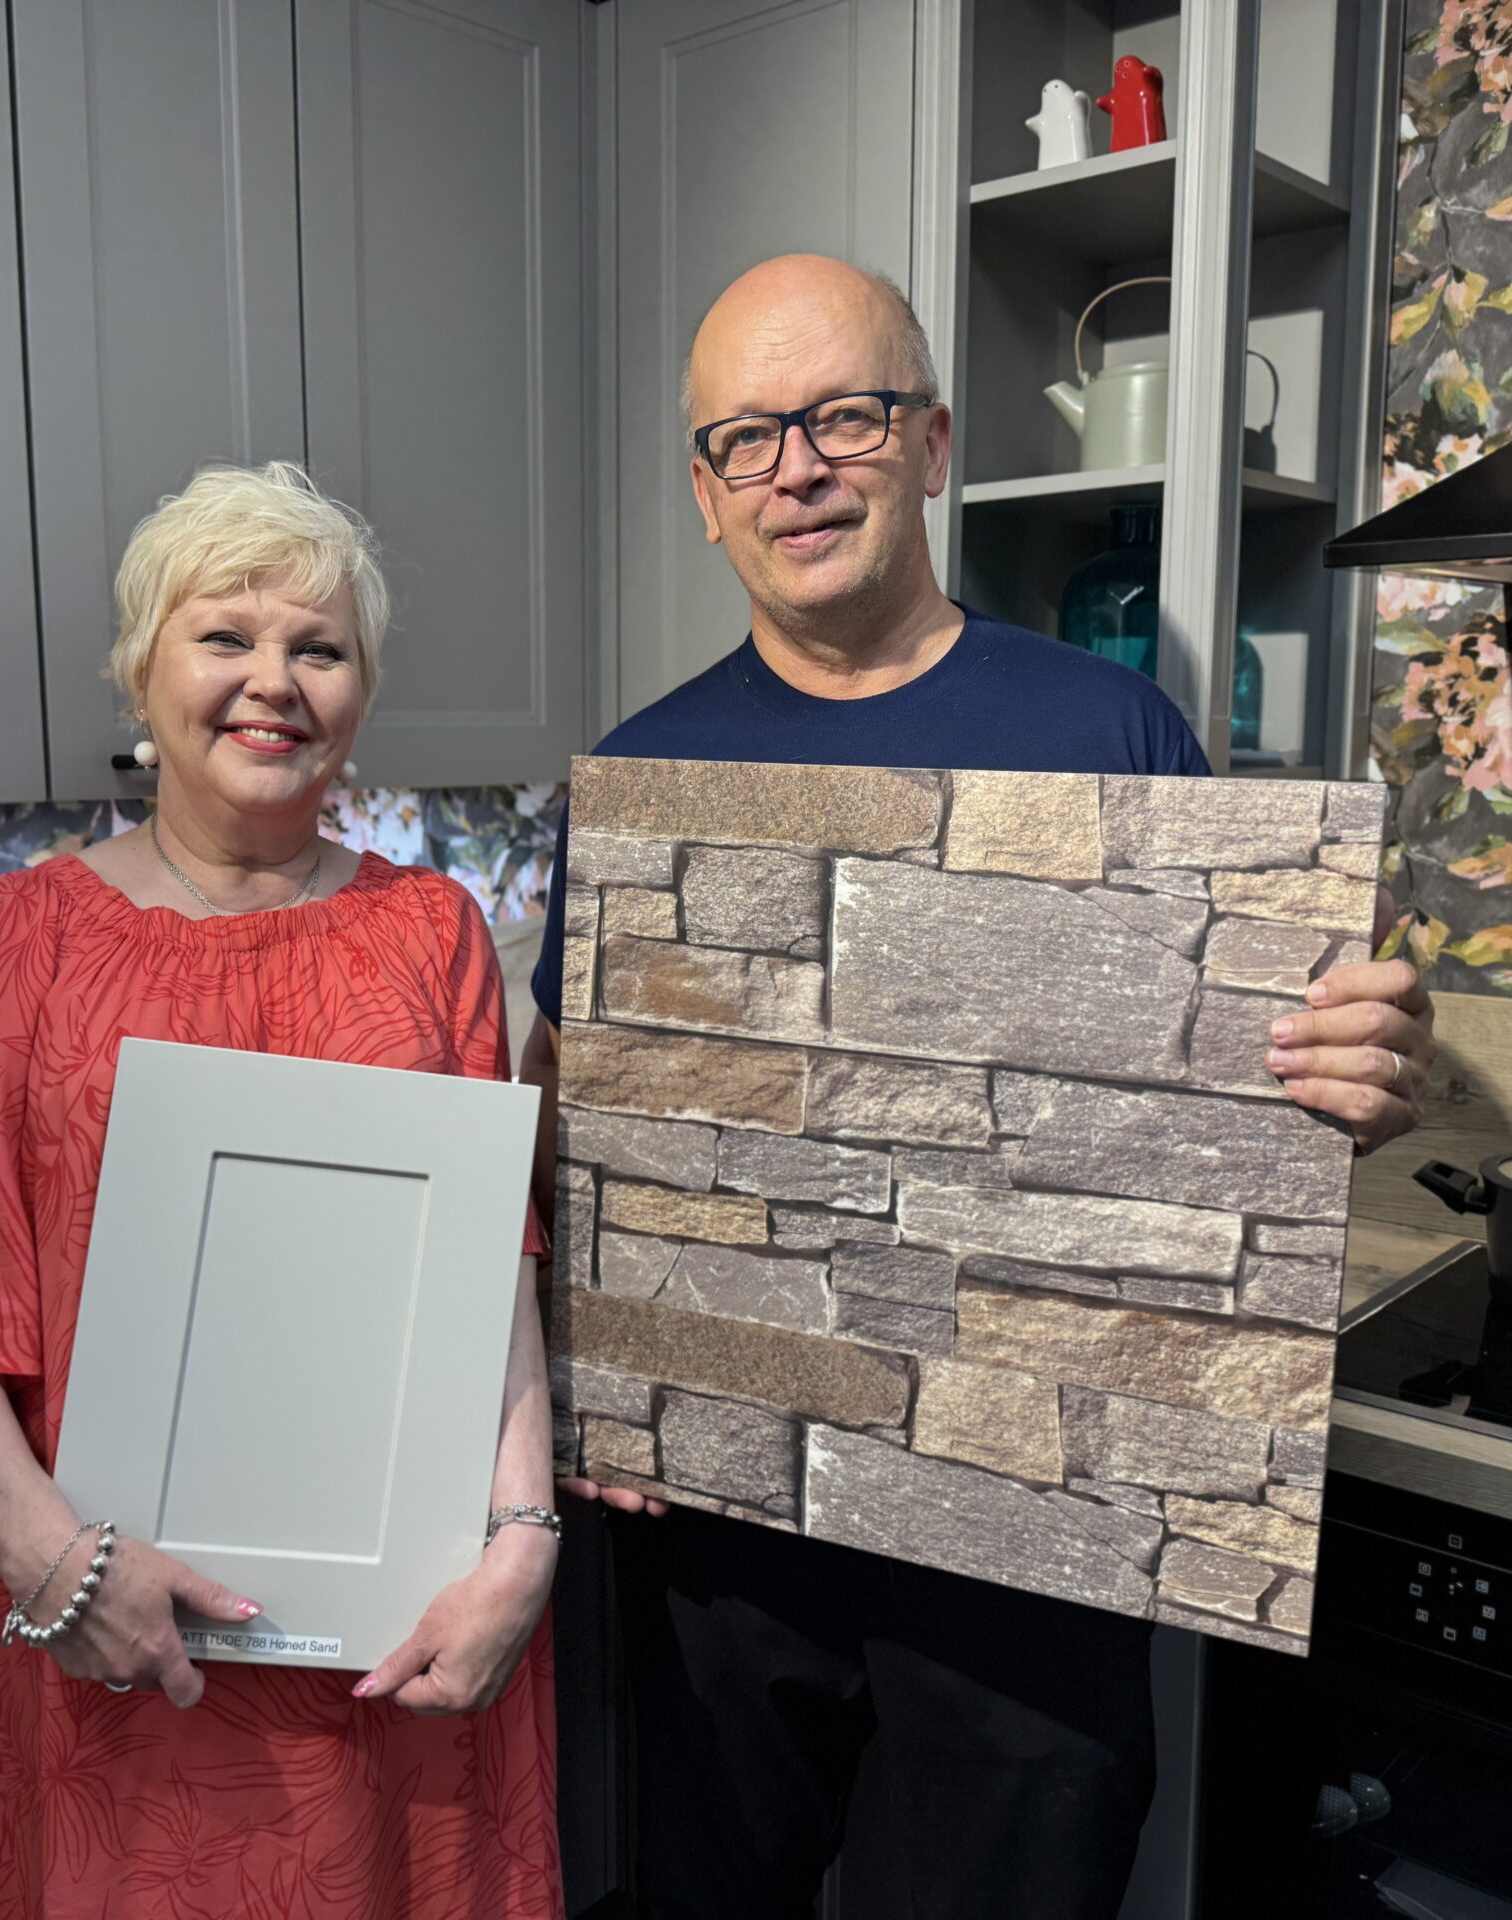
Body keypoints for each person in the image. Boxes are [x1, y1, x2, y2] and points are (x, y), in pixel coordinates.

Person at [522, 255, 1437, 1918]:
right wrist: (598, 1361)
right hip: (723, 1513)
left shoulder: (1116, 733)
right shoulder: (640, 778)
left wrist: (1346, 1073)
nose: (800, 468)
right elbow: (569, 1111)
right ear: (708, 495)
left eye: (848, 417)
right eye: (748, 438)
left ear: (933, 445)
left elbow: (1228, 1124)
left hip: (1038, 1539)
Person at [0, 460, 564, 1918]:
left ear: (362, 691)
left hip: (405, 1635)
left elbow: (490, 1270)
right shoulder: (20, 943)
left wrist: (522, 1540)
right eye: (225, 635)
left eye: (320, 648)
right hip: (116, 1634)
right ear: (142, 669)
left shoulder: (431, 933)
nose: (273, 682)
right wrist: (51, 1560)